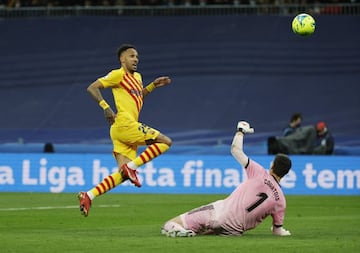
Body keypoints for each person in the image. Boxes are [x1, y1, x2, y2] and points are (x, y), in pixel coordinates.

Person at [78, 44, 172, 217]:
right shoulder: (117, 74)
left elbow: (137, 96)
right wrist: (105, 107)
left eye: (137, 56)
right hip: (124, 124)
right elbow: (92, 87)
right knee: (166, 142)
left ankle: (89, 195)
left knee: (123, 174)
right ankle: (132, 167)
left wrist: (152, 86)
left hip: (122, 130)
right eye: (131, 56)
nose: (136, 59)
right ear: (122, 59)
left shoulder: (137, 77)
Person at [161, 121, 292, 237]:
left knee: (170, 224)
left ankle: (181, 231)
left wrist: (240, 132)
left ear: (272, 166)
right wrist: (284, 232)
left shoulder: (260, 173)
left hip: (218, 213)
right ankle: (191, 232)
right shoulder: (281, 201)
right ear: (285, 173)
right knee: (204, 235)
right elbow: (277, 231)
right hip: (234, 230)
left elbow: (236, 150)